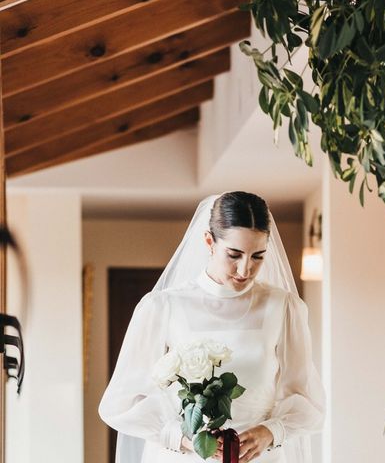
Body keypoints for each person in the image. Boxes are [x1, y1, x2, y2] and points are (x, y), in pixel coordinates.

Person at [99, 192, 325, 463]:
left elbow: (310, 403)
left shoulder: (283, 308)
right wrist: (183, 439)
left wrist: (271, 431)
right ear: (209, 241)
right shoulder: (163, 307)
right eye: (234, 254)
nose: (245, 269)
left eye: (258, 256)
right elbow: (118, 404)